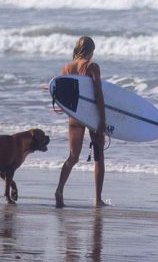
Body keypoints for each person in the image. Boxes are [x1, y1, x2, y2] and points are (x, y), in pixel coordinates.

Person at [55, 35, 106, 208]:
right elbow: (98, 94)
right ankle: (98, 199)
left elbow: (64, 95)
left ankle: (59, 190)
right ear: (90, 51)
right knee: (98, 156)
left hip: (75, 115)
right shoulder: (92, 66)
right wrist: (102, 119)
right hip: (91, 115)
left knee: (73, 156)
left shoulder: (66, 68)